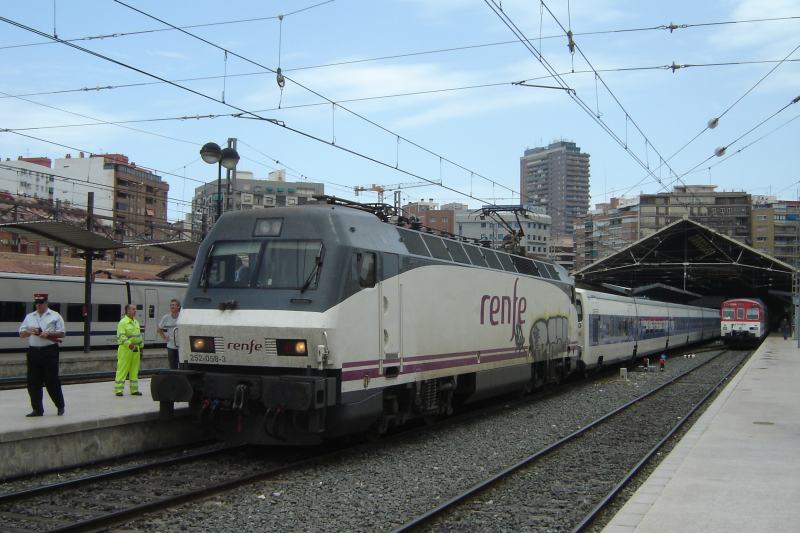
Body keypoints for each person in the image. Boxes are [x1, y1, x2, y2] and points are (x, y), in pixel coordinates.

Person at [18, 293, 66, 417]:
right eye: (37, 303)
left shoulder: (55, 316)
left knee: (51, 380)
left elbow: (62, 334)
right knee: (33, 381)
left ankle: (60, 405)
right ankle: (37, 409)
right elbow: (21, 334)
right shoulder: (30, 317)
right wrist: (29, 331)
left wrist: (49, 334)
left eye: (41, 303)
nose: (38, 305)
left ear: (46, 303)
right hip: (33, 352)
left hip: (49, 351)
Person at [115, 304, 144, 396]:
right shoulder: (123, 322)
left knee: (134, 370)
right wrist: (129, 345)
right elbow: (121, 336)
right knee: (122, 369)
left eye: (135, 309)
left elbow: (139, 336)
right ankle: (119, 390)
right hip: (125, 349)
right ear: (127, 311)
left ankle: (134, 390)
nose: (135, 311)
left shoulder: (136, 322)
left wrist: (141, 348)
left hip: (136, 349)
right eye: (133, 309)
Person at [158, 299, 181, 369]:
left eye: (173, 305)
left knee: (182, 365)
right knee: (172, 365)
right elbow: (159, 329)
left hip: (181, 346)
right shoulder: (166, 317)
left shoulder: (182, 317)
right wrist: (164, 337)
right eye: (171, 305)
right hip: (171, 346)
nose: (172, 306)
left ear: (178, 306)